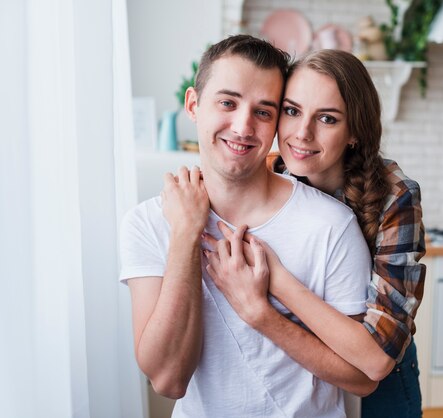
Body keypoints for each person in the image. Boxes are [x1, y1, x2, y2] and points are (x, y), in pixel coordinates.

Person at [118, 35, 379, 418]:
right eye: (227, 102)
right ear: (193, 105)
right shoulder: (147, 222)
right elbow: (168, 380)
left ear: (276, 122)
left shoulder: (331, 225)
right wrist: (187, 234)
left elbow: (362, 377)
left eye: (263, 111)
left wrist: (260, 312)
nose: (242, 127)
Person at [207, 49, 427, 418]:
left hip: (383, 380)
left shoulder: (395, 194)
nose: (302, 134)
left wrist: (276, 281)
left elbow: (377, 360)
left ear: (355, 131)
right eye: (292, 111)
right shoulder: (272, 171)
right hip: (307, 367)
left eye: (327, 118)